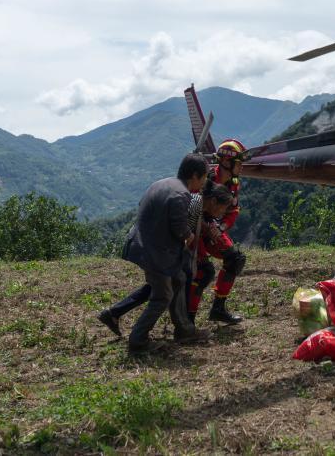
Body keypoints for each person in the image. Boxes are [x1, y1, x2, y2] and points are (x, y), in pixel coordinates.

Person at [98, 180, 233, 342]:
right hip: (164, 251)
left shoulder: (199, 205)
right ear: (213, 201)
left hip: (163, 250)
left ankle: (114, 313)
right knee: (171, 286)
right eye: (224, 208)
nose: (223, 212)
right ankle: (172, 331)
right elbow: (182, 230)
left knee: (162, 286)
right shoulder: (196, 203)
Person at [102, 153, 209, 355]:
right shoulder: (182, 194)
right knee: (162, 296)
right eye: (204, 177)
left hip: (140, 245)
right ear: (195, 175)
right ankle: (138, 341)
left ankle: (185, 330)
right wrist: (189, 235)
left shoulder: (162, 183)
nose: (203, 183)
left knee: (178, 278)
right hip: (153, 253)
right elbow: (179, 226)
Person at [188, 139, 249, 325]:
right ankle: (188, 318)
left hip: (215, 229)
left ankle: (218, 309)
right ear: (226, 162)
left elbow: (233, 210)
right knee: (203, 270)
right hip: (195, 229)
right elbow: (193, 211)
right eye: (239, 163)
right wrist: (209, 227)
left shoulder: (233, 183)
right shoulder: (205, 180)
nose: (241, 167)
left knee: (235, 259)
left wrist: (221, 228)